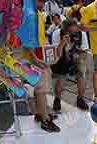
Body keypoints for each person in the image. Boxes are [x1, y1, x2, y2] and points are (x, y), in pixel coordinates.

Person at [24, 0, 61, 132]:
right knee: (41, 88)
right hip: (33, 57)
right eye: (40, 1)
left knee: (41, 86)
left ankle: (41, 113)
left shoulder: (38, 13)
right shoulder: (29, 14)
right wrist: (35, 59)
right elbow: (26, 39)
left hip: (39, 54)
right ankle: (45, 120)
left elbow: (40, 36)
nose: (42, 4)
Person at [51, 18, 90, 111]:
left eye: (74, 31)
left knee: (82, 75)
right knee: (60, 82)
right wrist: (61, 44)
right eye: (69, 31)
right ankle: (57, 99)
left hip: (77, 58)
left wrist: (78, 59)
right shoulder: (57, 33)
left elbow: (85, 52)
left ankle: (80, 98)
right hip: (61, 58)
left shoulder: (82, 34)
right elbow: (57, 55)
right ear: (64, 30)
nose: (72, 34)